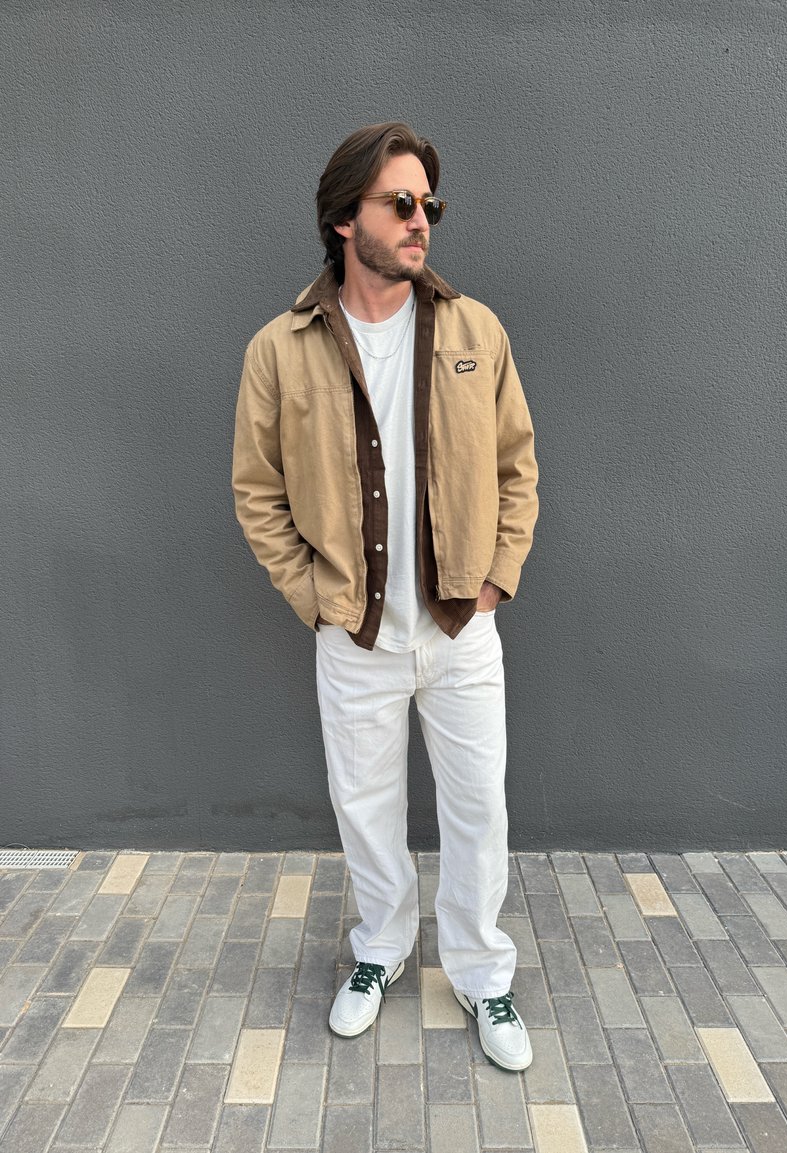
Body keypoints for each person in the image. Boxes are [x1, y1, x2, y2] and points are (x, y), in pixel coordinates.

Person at [232, 122, 539, 1071]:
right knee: (363, 807)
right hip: (354, 632)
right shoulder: (282, 349)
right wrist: (313, 594)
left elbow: (517, 465)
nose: (421, 223)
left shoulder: (473, 330)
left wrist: (495, 577)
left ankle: (484, 974)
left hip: (459, 624)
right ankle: (381, 948)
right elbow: (258, 490)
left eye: (429, 206)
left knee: (478, 807)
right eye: (400, 204)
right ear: (342, 220)